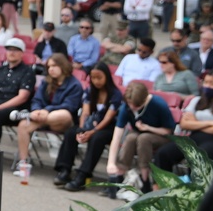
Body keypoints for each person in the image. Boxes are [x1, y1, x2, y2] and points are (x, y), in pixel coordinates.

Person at [153, 69, 213, 173]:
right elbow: (184, 124)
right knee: (163, 153)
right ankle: (162, 186)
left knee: (198, 158)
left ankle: (197, 188)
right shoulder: (196, 101)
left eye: (212, 84)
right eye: (206, 82)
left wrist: (195, 122)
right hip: (194, 138)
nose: (207, 86)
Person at [55, 62, 123, 192]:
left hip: (108, 128)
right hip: (90, 123)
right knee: (71, 133)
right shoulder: (90, 91)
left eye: (99, 78)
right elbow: (85, 112)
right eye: (93, 78)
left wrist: (92, 132)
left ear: (107, 77)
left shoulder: (115, 94)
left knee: (97, 138)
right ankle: (64, 170)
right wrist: (82, 129)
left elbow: (108, 118)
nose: (96, 81)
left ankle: (82, 175)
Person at [12, 53, 83, 172]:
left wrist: (46, 111)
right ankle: (23, 163)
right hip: (44, 118)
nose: (51, 69)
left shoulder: (75, 85)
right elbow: (37, 100)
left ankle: (28, 115)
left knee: (62, 114)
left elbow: (70, 106)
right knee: (23, 125)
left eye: (54, 66)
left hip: (64, 121)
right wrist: (36, 111)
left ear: (63, 66)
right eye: (49, 67)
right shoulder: (46, 82)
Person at [105, 81, 176, 195]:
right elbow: (117, 136)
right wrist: (111, 163)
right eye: (130, 104)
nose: (132, 107)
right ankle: (119, 175)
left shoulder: (158, 104)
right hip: (138, 133)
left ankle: (145, 179)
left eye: (136, 106)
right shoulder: (126, 107)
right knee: (130, 138)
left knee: (144, 138)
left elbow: (168, 130)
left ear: (144, 100)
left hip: (161, 135)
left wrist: (148, 128)